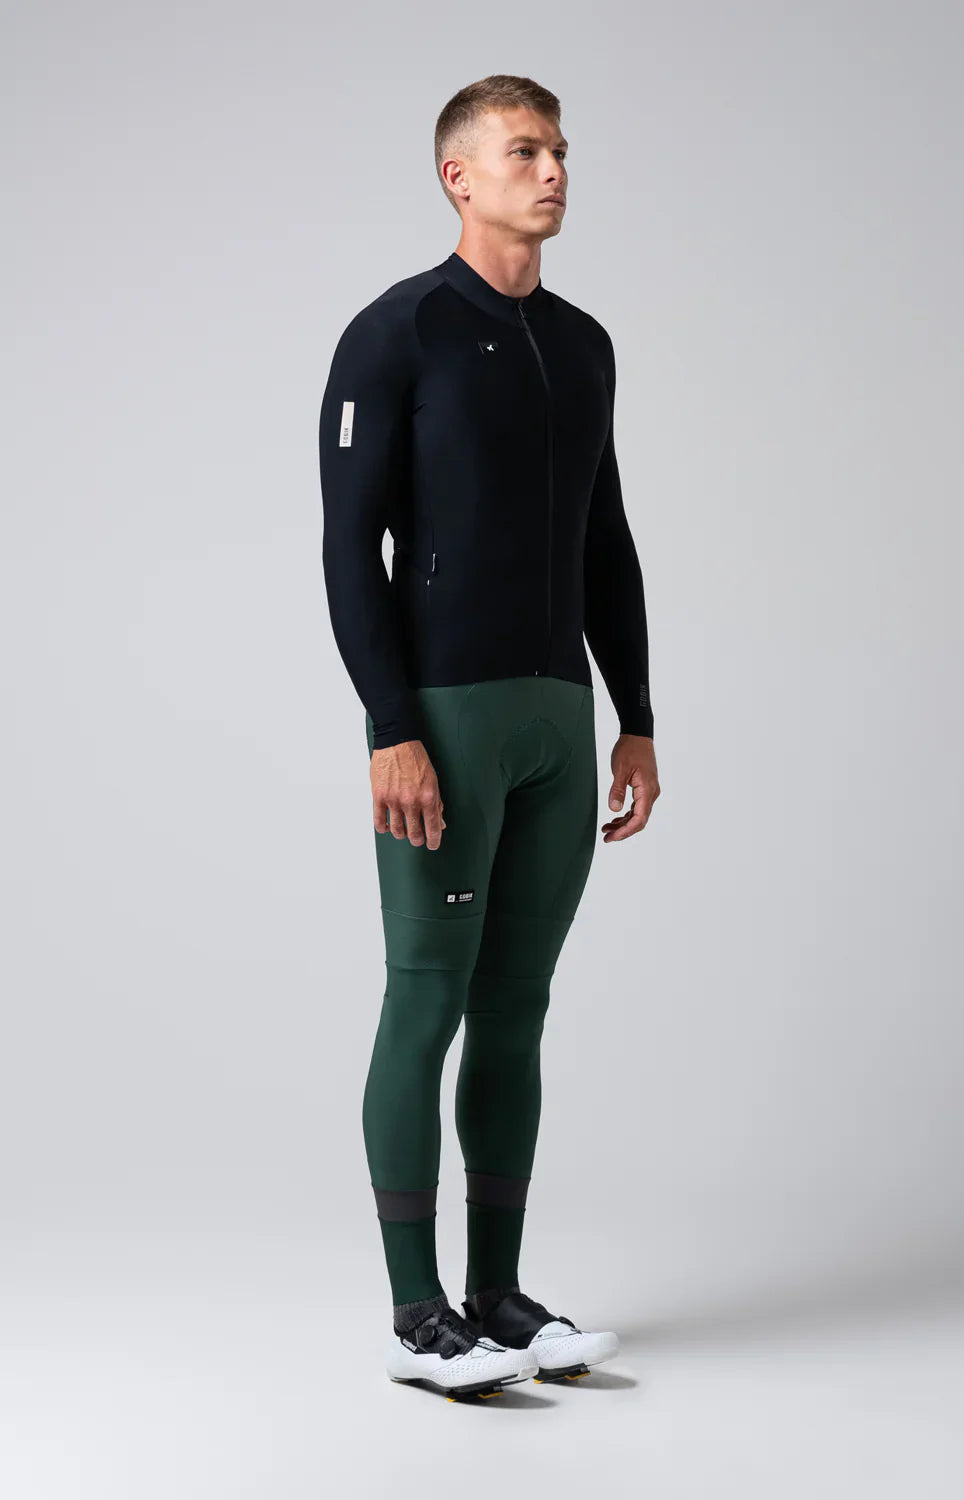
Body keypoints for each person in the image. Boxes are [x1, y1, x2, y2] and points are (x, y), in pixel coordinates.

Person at [318, 73, 660, 1400]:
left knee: (517, 1008)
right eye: (526, 151)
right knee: (428, 995)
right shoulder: (396, 332)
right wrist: (391, 729)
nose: (555, 170)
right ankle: (417, 1317)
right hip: (448, 718)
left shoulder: (583, 345)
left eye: (561, 149)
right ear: (459, 175)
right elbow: (349, 549)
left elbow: (606, 539)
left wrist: (637, 717)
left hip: (560, 718)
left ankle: (499, 1301)